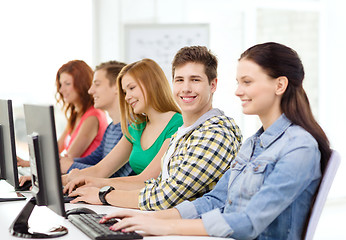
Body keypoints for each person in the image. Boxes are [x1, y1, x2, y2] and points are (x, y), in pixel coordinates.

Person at [100, 42, 332, 240]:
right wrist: (148, 218)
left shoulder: (299, 147)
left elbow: (249, 222)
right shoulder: (254, 143)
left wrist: (163, 225)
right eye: (238, 82)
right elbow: (215, 200)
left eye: (247, 82)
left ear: (279, 85)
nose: (238, 91)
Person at [65, 46, 242, 210]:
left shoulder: (214, 133)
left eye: (195, 80)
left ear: (213, 85)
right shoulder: (184, 132)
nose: (186, 88)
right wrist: (91, 183)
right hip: (162, 217)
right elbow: (156, 186)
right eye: (179, 80)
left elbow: (165, 195)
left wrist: (103, 194)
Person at [61, 58, 183, 187]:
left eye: (131, 88)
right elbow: (100, 170)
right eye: (125, 92)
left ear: (150, 84)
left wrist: (93, 182)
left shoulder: (177, 125)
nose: (127, 97)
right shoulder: (137, 127)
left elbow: (145, 180)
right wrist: (62, 180)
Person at [17, 60, 108, 167]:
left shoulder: (93, 117)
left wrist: (28, 164)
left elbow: (67, 159)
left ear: (82, 84)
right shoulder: (76, 115)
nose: (61, 89)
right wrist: (28, 162)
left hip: (81, 178)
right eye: (60, 84)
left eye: (67, 84)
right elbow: (54, 152)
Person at [59, 61, 133, 177]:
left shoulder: (131, 128)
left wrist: (70, 166)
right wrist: (66, 163)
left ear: (117, 86)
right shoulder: (111, 128)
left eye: (97, 84)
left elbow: (111, 174)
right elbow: (95, 160)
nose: (90, 91)